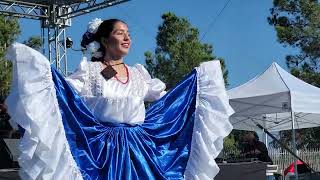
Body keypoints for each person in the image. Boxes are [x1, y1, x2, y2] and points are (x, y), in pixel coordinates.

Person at [5, 18, 234, 180]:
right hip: (102, 149)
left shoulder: (138, 73)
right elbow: (64, 93)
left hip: (140, 148)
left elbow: (167, 100)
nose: (126, 37)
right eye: (119, 32)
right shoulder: (90, 71)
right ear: (104, 41)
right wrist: (38, 81)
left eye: (128, 33)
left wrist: (193, 91)